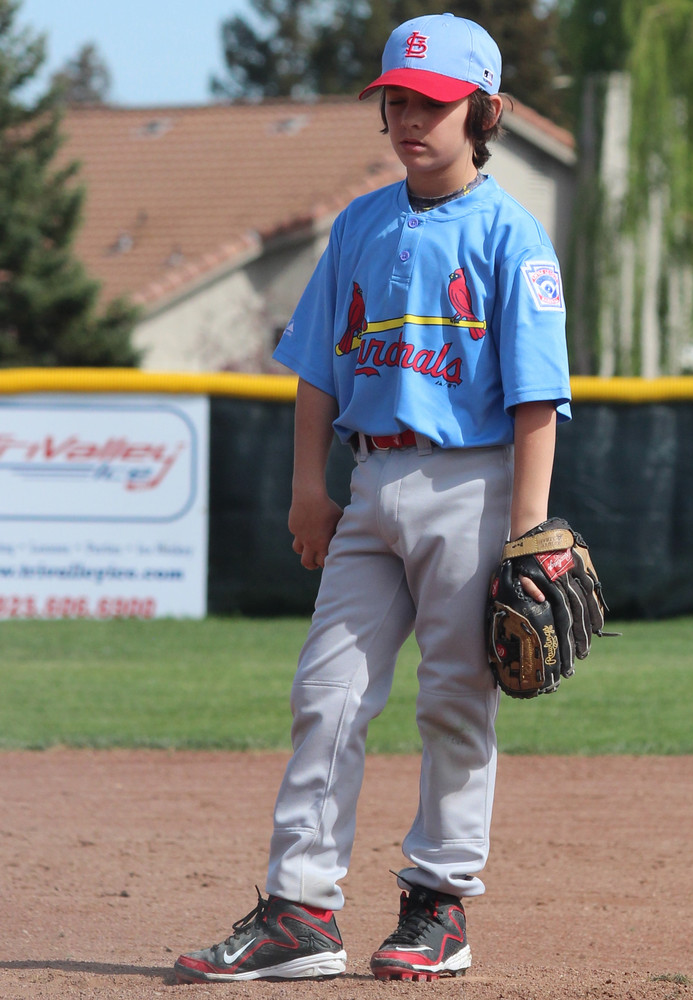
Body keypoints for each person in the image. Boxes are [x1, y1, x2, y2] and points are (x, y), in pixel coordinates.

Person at [174, 11, 571, 985]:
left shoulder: (511, 236)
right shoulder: (360, 223)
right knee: (326, 693)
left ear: (485, 113)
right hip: (370, 482)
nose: (410, 118)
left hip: (472, 481)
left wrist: (526, 535)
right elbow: (317, 367)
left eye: (432, 102)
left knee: (454, 700)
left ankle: (439, 903)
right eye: (396, 100)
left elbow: (536, 400)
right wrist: (309, 488)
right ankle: (300, 910)